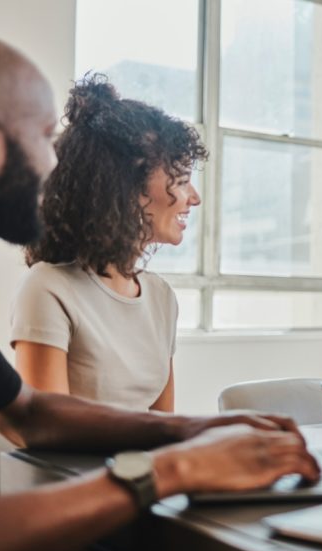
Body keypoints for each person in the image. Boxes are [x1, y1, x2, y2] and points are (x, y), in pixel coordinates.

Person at [0, 35, 318, 551]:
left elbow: (28, 412)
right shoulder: (50, 286)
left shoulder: (158, 296)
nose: (56, 164)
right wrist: (169, 469)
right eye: (45, 138)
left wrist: (190, 431)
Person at [10, 74, 204, 411]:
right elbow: (49, 433)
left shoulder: (161, 298)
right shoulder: (48, 288)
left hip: (145, 464)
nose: (194, 198)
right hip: (75, 466)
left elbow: (163, 425)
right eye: (183, 180)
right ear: (127, 186)